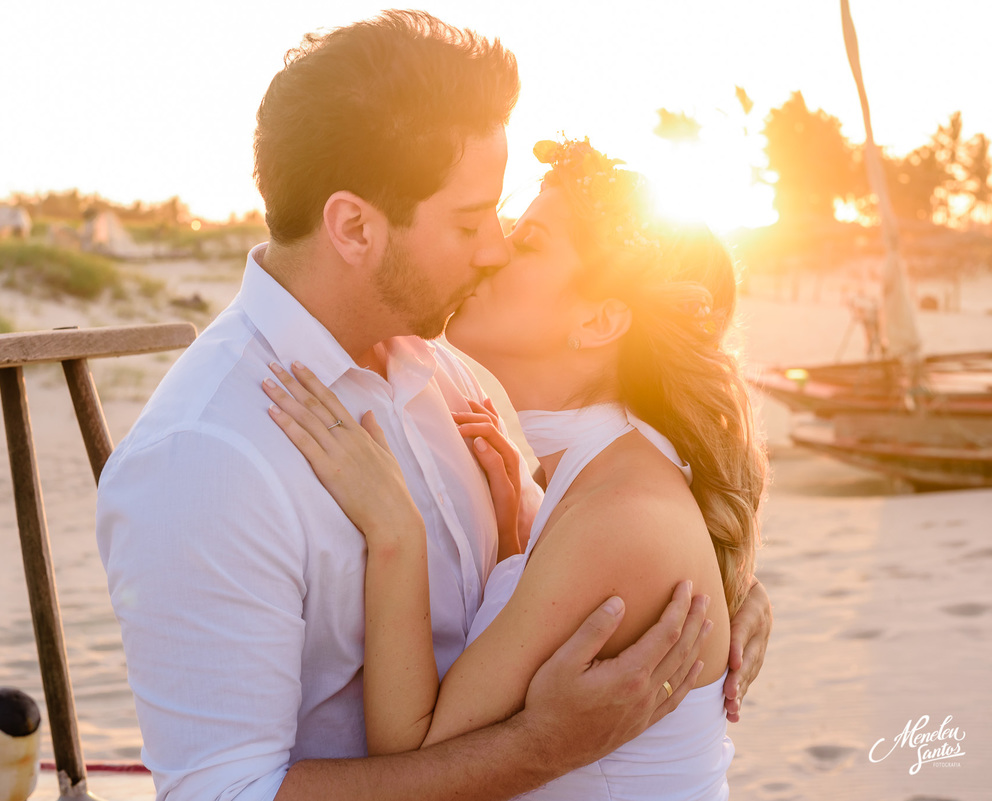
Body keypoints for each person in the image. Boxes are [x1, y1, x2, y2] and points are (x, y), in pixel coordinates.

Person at [96, 11, 772, 800]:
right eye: (468, 220)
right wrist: (540, 747)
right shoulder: (205, 456)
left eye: (505, 217)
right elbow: (225, 794)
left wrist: (722, 587)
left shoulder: (457, 373)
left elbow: (597, 553)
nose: (493, 248)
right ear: (353, 226)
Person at [262, 137, 768, 798]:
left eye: (528, 242)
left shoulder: (622, 514)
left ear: (598, 320)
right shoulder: (606, 473)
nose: (494, 250)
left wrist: (395, 530)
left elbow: (416, 756)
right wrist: (514, 544)